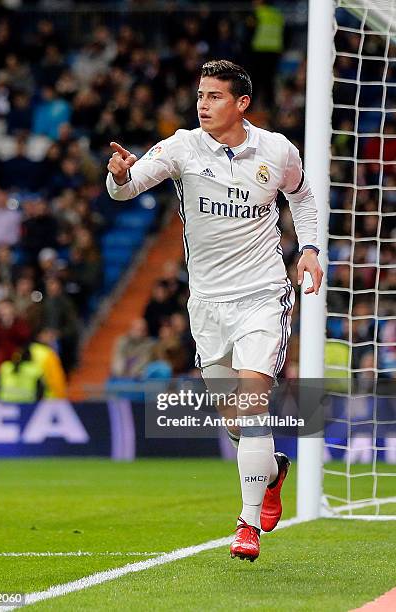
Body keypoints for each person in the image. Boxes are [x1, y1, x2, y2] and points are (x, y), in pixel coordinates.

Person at [106, 60, 323, 562]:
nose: (203, 104)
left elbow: (303, 195)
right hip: (206, 303)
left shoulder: (276, 150)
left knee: (251, 405)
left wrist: (308, 248)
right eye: (200, 95)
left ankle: (247, 525)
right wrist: (117, 175)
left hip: (263, 295)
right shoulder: (182, 146)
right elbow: (127, 187)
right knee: (234, 419)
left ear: (241, 103)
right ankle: (271, 474)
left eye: (215, 96)